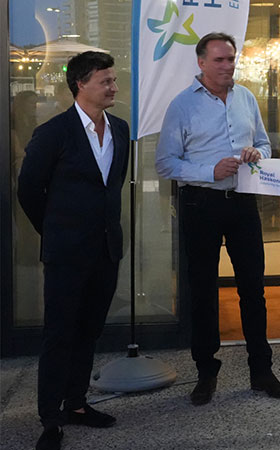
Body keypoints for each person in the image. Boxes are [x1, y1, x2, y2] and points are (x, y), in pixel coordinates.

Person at [155, 32, 280, 406]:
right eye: (219, 60)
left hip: (243, 203)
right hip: (201, 204)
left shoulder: (246, 97)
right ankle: (206, 373)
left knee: (253, 288)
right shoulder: (182, 106)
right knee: (202, 291)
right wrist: (208, 170)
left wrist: (255, 152)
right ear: (201, 63)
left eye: (231, 59)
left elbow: (264, 144)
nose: (228, 66)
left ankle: (261, 371)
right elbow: (165, 163)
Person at [17, 51, 130, 450]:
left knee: (89, 331)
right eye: (106, 81)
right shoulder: (53, 133)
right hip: (66, 252)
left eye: (114, 80)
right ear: (81, 84)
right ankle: (50, 417)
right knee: (59, 334)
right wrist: (55, 232)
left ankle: (77, 403)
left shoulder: (119, 129)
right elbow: (29, 190)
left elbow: (112, 186)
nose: (114, 87)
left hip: (105, 250)